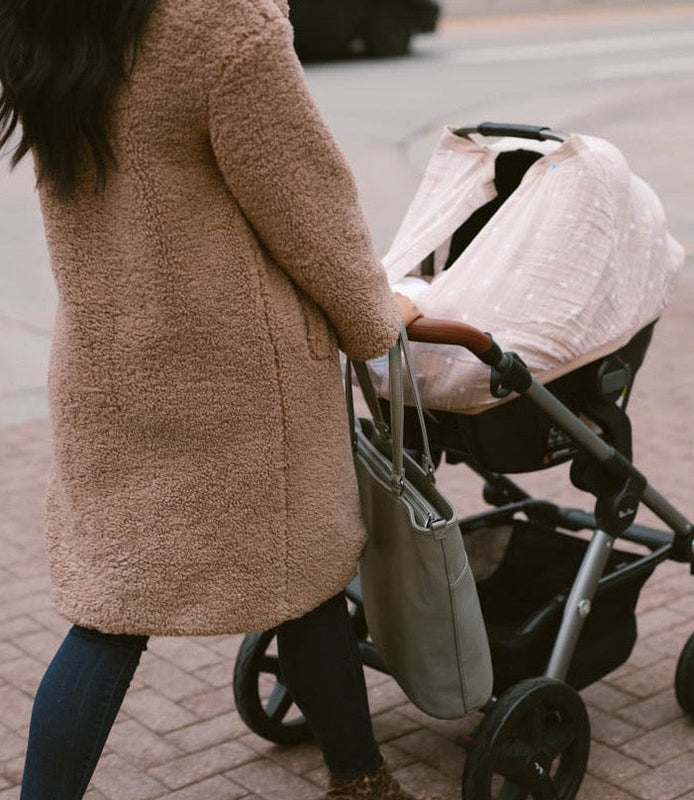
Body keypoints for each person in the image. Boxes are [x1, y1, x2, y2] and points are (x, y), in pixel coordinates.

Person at [0, 0, 424, 797]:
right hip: (238, 375)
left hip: (106, 362)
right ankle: (360, 780)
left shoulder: (43, 19)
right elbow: (308, 204)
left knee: (109, 603)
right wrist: (374, 323)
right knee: (305, 573)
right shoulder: (221, 25)